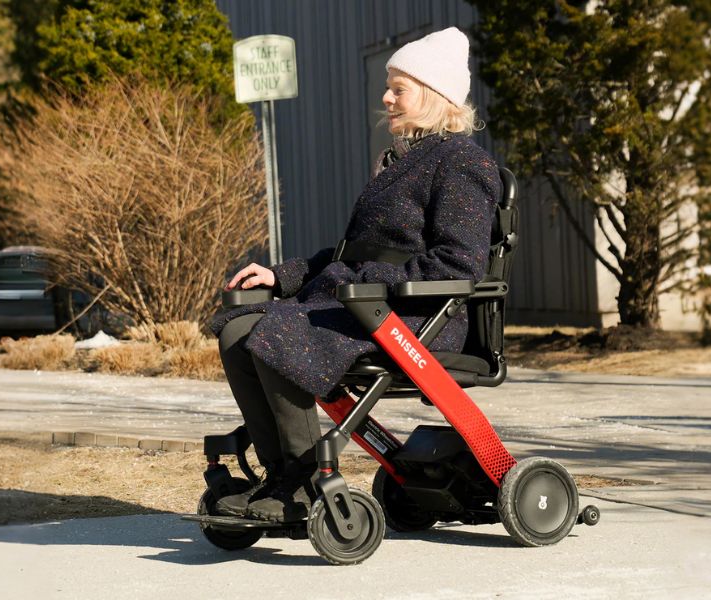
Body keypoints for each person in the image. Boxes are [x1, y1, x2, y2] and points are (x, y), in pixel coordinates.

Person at [211, 27, 501, 523]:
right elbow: (350, 254)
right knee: (237, 330)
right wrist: (280, 277)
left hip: (418, 315)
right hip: (365, 305)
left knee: (277, 331)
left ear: (434, 94)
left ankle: (302, 486)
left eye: (398, 89)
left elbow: (459, 264)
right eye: (388, 87)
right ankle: (281, 477)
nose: (386, 98)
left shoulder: (462, 163)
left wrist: (367, 285)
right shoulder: (400, 163)